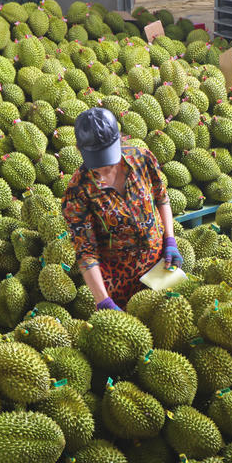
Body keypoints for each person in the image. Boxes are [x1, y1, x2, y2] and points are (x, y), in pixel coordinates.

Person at [62, 107, 181, 311]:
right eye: (97, 162)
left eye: (108, 158)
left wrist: (170, 240)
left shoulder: (141, 158)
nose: (106, 168)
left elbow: (162, 198)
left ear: (119, 140)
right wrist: (102, 299)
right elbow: (86, 252)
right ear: (79, 150)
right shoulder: (78, 191)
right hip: (118, 284)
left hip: (160, 267)